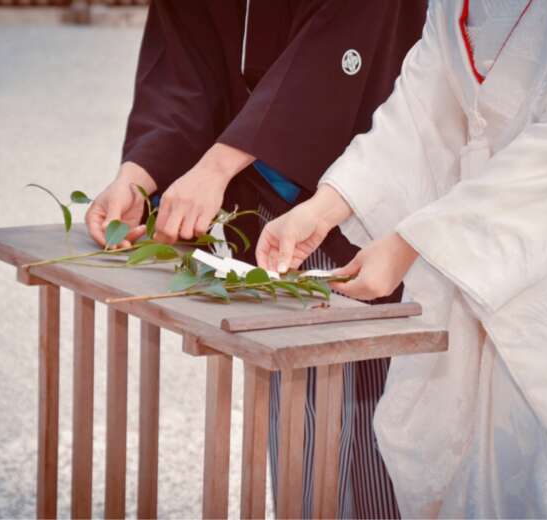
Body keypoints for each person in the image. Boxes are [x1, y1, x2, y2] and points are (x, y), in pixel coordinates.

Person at [257, 0, 547, 516]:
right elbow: (423, 103)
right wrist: (327, 204)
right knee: (474, 455)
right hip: (471, 234)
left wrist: (413, 243)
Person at [84, 1, 427, 516]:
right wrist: (140, 174)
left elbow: (336, 49)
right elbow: (182, 63)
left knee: (367, 409)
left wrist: (217, 164)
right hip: (253, 189)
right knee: (298, 415)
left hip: (348, 182)